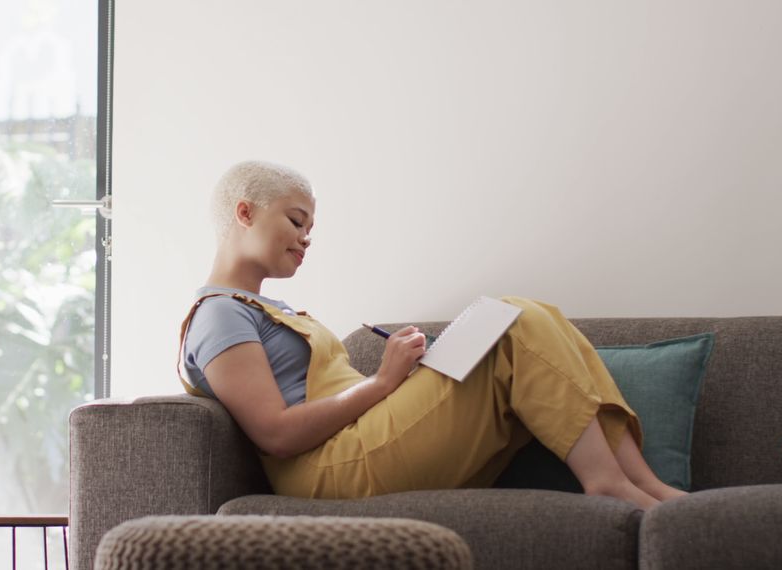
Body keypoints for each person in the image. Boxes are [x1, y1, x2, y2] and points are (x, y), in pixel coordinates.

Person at [178, 160, 686, 509]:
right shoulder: (220, 314)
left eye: (310, 225)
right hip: (327, 471)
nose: (307, 237)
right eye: (296, 220)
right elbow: (276, 433)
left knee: (537, 316)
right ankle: (608, 484)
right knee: (514, 319)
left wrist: (410, 380)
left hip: (360, 440)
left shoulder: (266, 309)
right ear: (245, 213)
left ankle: (641, 484)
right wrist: (382, 383)